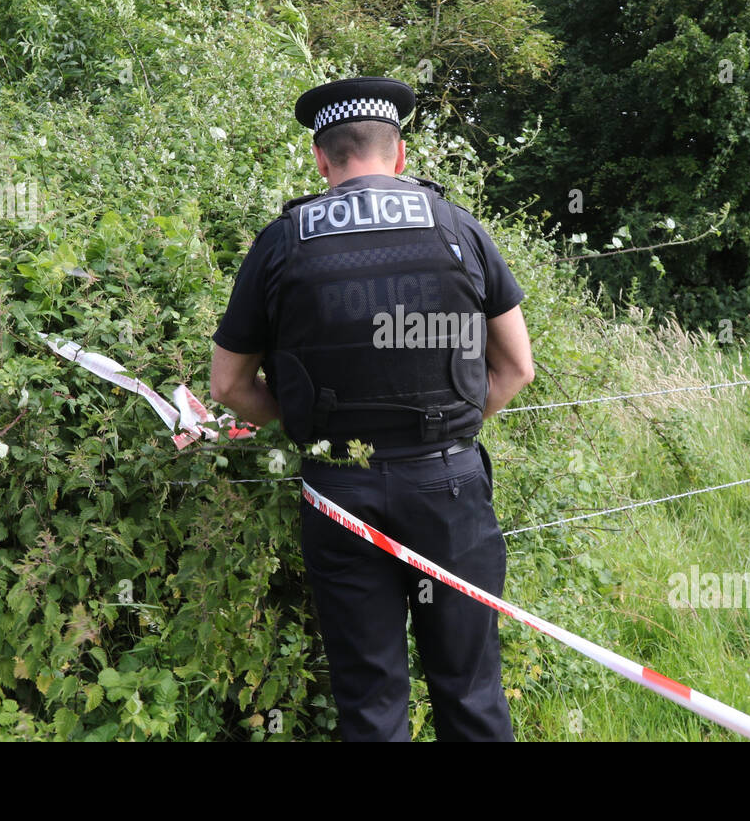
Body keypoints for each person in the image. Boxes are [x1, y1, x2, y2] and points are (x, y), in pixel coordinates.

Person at [209, 76, 534, 741]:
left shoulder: (282, 240)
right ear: (401, 154)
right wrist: (450, 433)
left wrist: (295, 420)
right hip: (449, 487)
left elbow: (227, 385)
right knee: (471, 691)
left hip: (340, 494)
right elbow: (517, 368)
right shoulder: (457, 228)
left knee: (371, 700)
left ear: (321, 160)